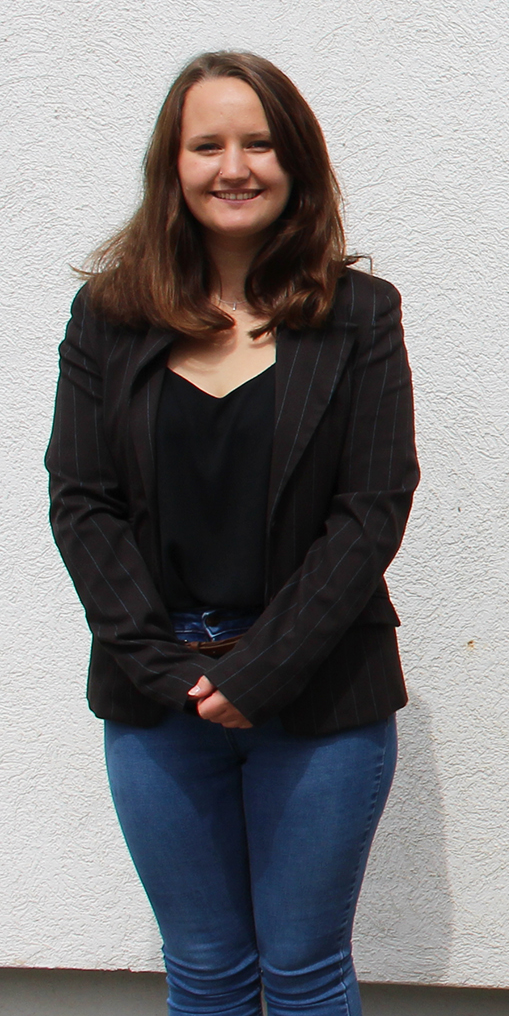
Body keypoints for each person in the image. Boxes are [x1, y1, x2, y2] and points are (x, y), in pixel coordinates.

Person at [48, 52, 419, 1016]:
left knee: (302, 975)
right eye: (206, 145)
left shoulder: (359, 316)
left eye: (258, 143)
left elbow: (373, 507)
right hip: (156, 700)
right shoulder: (108, 317)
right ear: (172, 166)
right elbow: (81, 501)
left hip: (320, 695)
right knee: (205, 973)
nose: (234, 167)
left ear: (296, 161)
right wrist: (162, 669)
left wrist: (262, 670)